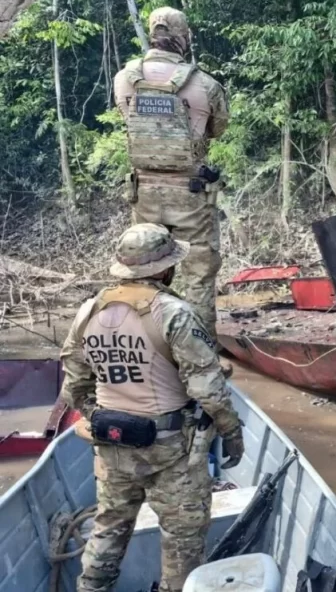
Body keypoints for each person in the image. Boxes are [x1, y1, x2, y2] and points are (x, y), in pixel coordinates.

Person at [60, 223, 244, 592]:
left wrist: (99, 417)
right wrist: (232, 433)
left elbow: (74, 387)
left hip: (112, 446)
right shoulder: (174, 312)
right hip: (171, 450)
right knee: (182, 540)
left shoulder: (88, 311)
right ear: (164, 268)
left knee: (108, 530)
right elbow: (207, 389)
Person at [113, 7, 228, 337]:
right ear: (183, 38)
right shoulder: (205, 84)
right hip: (190, 192)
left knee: (143, 271)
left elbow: (127, 119)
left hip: (143, 191)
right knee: (198, 274)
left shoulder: (125, 78)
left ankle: (147, 348)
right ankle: (200, 357)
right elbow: (217, 129)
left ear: (152, 34)